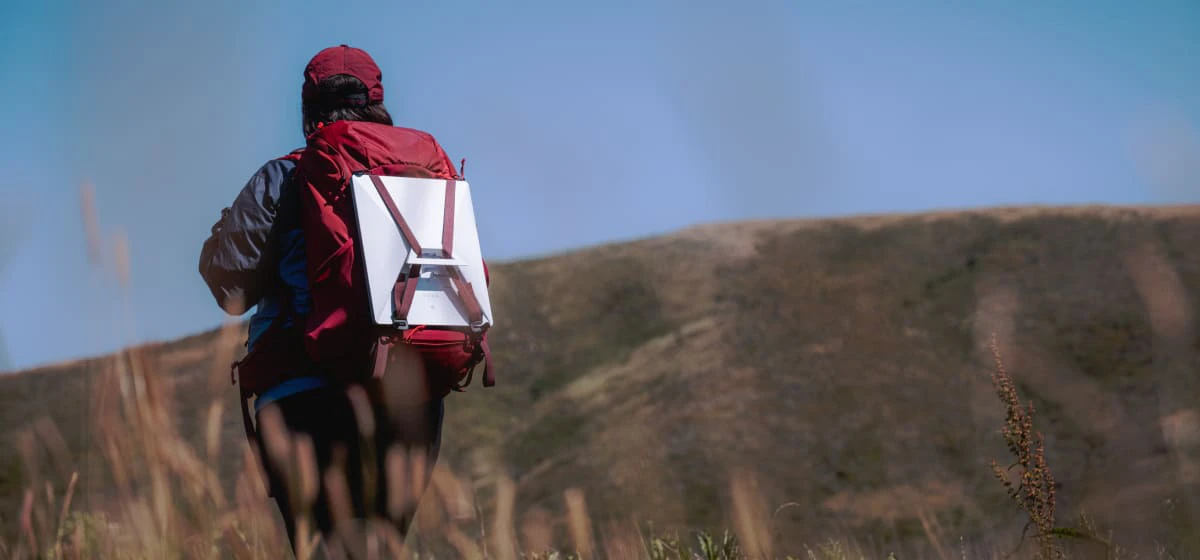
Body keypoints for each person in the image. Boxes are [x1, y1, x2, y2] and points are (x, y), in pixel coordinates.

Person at [199, 45, 468, 558]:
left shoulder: (284, 176)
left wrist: (219, 238)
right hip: (413, 398)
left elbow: (231, 289)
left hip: (305, 395)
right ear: (378, 102)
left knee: (325, 548)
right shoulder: (423, 175)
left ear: (307, 110)